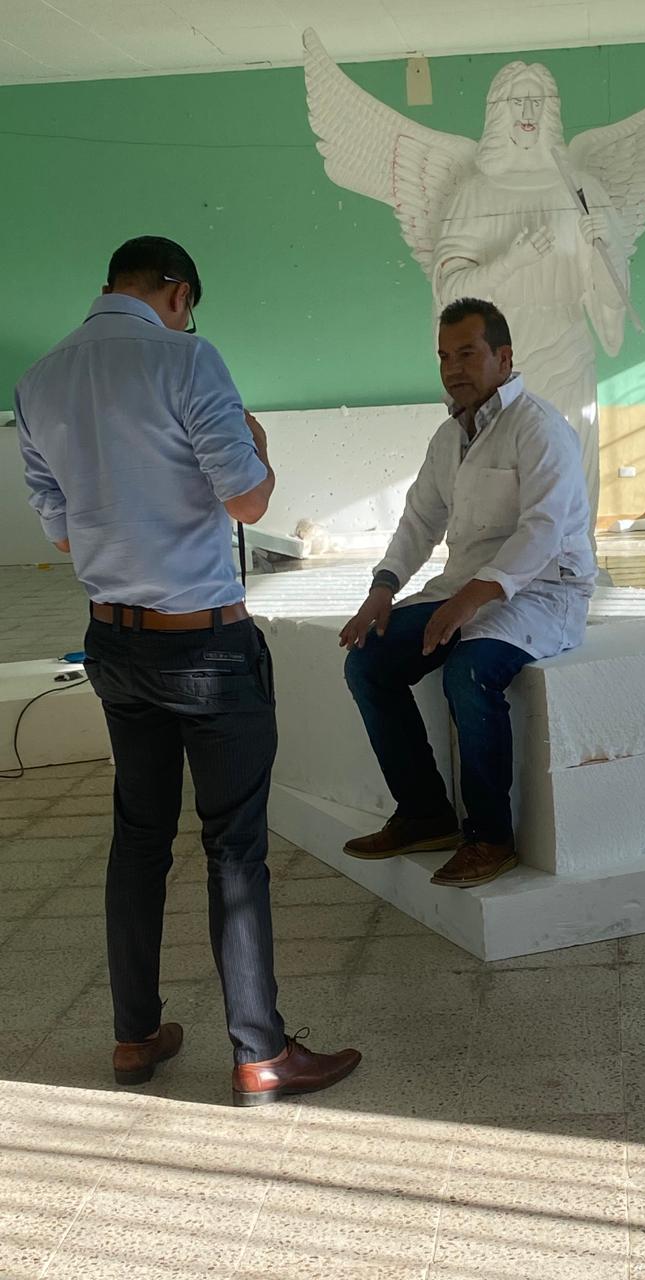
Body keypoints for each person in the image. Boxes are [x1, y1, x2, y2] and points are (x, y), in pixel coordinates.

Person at [15, 235, 360, 1106]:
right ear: (177, 294)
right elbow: (247, 498)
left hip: (114, 645)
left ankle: (135, 1036)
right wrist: (260, 448)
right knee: (234, 847)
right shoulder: (188, 360)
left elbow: (62, 533)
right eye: (188, 309)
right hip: (204, 645)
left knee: (137, 838)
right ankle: (260, 1055)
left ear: (110, 286)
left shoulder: (40, 381)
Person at [340, 297, 596, 888]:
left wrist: (471, 599)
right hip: (464, 589)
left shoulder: (539, 427)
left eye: (467, 354)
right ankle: (425, 814)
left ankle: (490, 837)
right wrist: (383, 587)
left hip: (543, 593)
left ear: (503, 358)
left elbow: (543, 531)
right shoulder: (448, 436)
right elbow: (419, 520)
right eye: (443, 357)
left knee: (470, 671)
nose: (453, 369)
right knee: (369, 661)